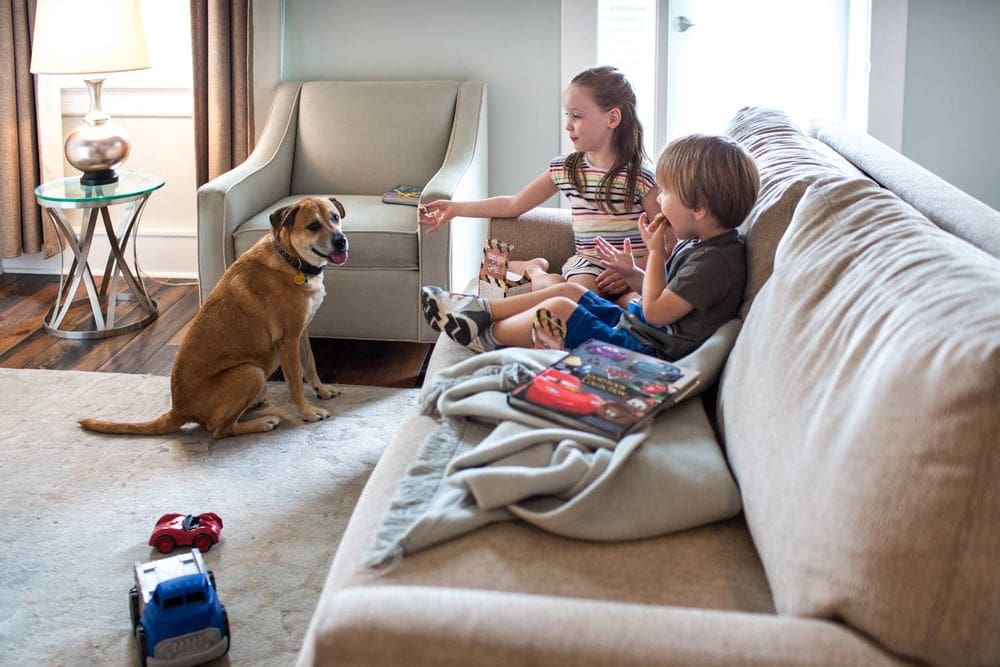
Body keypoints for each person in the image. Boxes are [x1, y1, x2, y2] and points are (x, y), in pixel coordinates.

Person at [419, 134, 759, 361]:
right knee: (569, 290)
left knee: (561, 310)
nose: (661, 202)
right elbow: (669, 296)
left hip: (650, 352)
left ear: (699, 209)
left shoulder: (717, 261)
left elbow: (657, 311)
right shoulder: (704, 246)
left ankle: (486, 337)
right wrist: (634, 272)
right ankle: (482, 310)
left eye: (667, 194)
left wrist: (655, 252)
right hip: (641, 328)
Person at [419, 66, 659, 306]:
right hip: (589, 268)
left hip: (634, 271)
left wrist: (633, 271)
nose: (568, 125)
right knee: (580, 299)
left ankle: (536, 275)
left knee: (635, 307)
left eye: (576, 116)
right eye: (567, 115)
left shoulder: (641, 176)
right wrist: (456, 208)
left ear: (612, 118)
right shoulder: (566, 169)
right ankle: (533, 272)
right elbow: (513, 204)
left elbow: (665, 239)